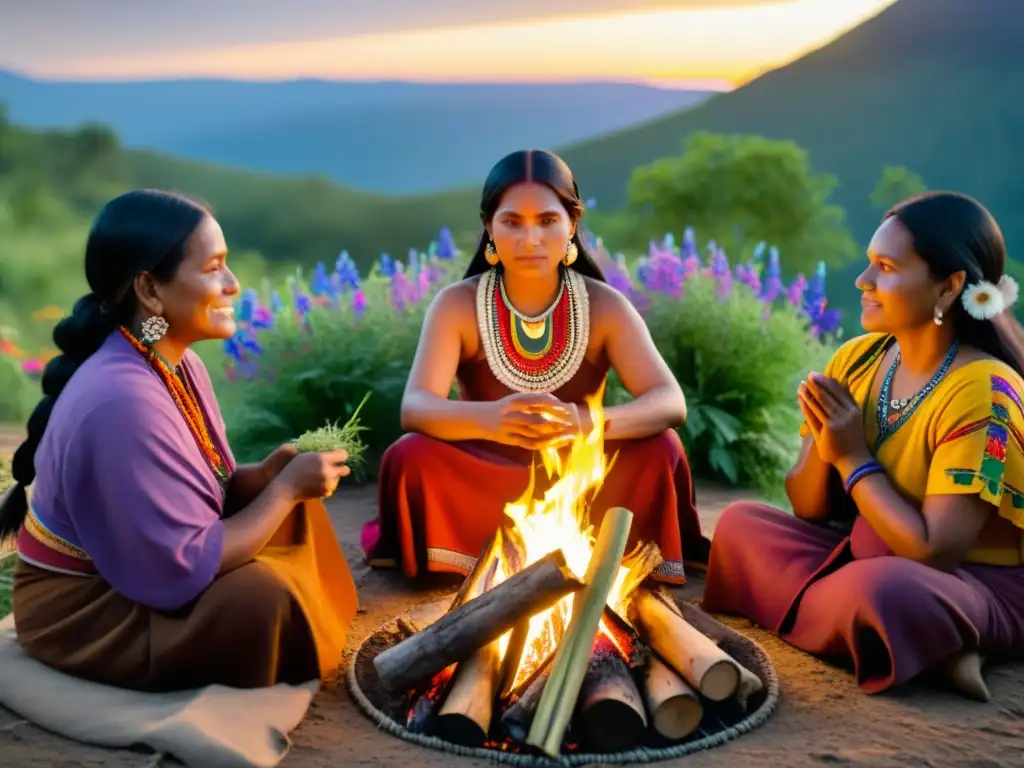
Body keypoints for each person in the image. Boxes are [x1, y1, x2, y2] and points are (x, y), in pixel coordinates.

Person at [0, 189, 359, 692]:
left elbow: (200, 489)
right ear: (150, 290)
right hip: (84, 613)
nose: (234, 285)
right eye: (214, 267)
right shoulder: (120, 399)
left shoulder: (173, 361)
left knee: (294, 514)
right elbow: (184, 562)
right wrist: (281, 492)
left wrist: (264, 477)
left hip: (139, 568)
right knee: (261, 600)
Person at [703, 191, 1024, 701]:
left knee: (884, 592)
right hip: (862, 553)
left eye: (885, 267)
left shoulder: (984, 388)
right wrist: (823, 443)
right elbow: (807, 509)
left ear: (949, 286)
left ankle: (940, 634)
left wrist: (853, 458)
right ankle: (918, 647)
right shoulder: (858, 358)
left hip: (965, 581)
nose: (863, 281)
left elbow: (934, 551)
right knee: (742, 525)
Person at [361, 149, 709, 582]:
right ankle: (471, 559)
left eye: (547, 221)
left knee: (663, 448)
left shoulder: (604, 306)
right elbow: (415, 407)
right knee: (409, 456)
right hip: (483, 472)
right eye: (512, 222)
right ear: (489, 227)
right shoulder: (456, 305)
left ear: (572, 225)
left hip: (585, 476)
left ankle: (609, 560)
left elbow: (669, 401)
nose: (530, 239)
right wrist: (491, 419)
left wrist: (585, 423)